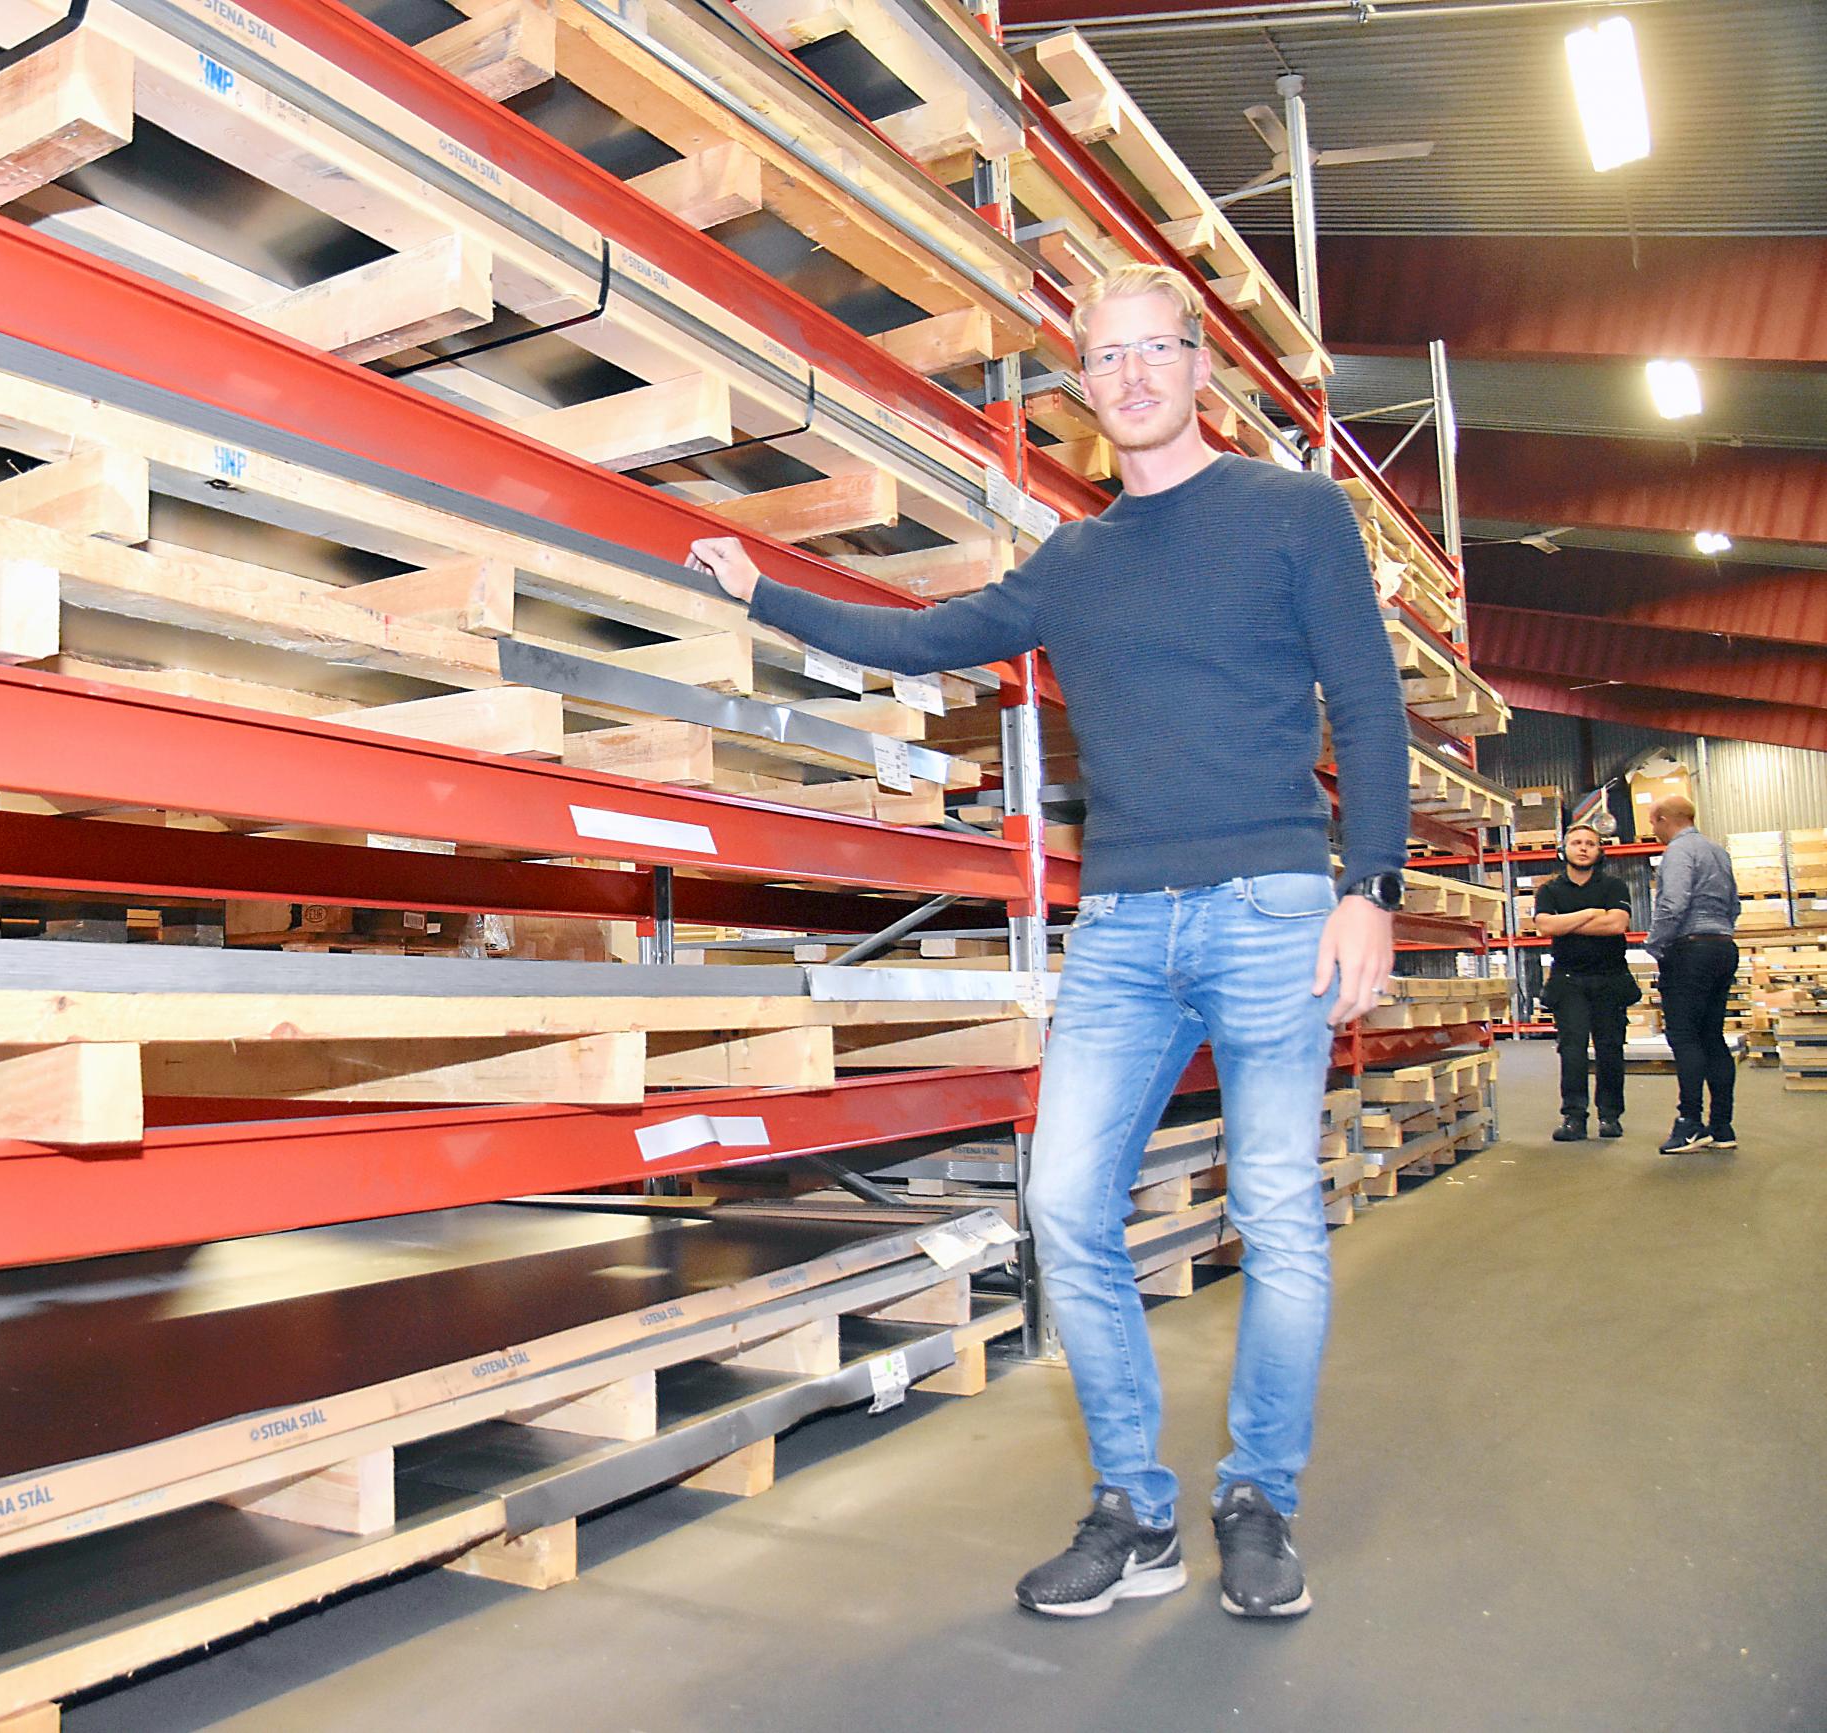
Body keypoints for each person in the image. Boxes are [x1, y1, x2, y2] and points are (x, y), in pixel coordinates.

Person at [685, 263, 1408, 1623]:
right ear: (1084, 388)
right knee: (1067, 1202)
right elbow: (924, 638)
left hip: (1272, 909)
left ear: (1198, 365)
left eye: (1154, 349)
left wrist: (1369, 884)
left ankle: (1258, 1498)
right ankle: (1134, 1510)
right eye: (1104, 357)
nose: (1131, 375)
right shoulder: (1074, 562)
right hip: (1123, 924)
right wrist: (761, 590)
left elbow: (1369, 706)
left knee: (1275, 1214)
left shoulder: (1292, 512)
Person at [1644, 795, 1739, 1154]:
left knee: (1684, 1037)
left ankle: (1689, 1124)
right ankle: (1722, 1126)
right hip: (1722, 947)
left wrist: (1656, 945)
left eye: (1653, 824)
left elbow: (1673, 904)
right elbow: (1734, 905)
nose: (1653, 831)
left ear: (1664, 819)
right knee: (1712, 1036)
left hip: (1690, 950)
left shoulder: (1678, 852)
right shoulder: (1718, 852)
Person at [1532, 824, 1639, 1141]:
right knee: (1572, 1050)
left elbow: (1616, 925)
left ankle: (1610, 1116)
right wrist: (1591, 913)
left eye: (1590, 843)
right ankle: (1574, 1117)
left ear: (1599, 851)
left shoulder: (1614, 887)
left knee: (1610, 1049)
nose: (1582, 848)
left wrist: (1566, 922)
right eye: (1576, 842)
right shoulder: (1550, 890)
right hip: (1568, 982)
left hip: (1610, 979)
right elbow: (1544, 927)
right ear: (1563, 850)